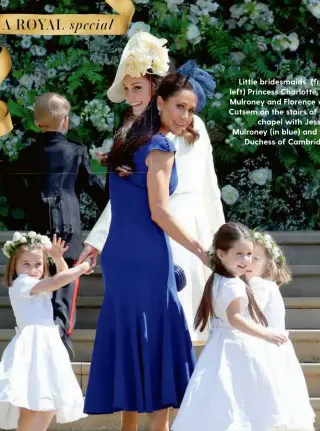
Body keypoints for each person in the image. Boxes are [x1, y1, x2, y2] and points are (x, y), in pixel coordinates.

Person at [83, 71, 211, 431]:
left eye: (191, 110)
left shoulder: (125, 139)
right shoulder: (158, 145)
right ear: (160, 103)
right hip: (147, 253)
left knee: (136, 336)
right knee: (160, 336)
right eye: (180, 107)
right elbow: (159, 211)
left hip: (121, 254)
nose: (186, 116)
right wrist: (202, 250)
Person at [80, 32, 224, 345]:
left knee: (176, 324)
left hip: (178, 230)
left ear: (156, 88)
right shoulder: (135, 132)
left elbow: (208, 188)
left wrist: (218, 238)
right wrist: (98, 240)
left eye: (137, 88)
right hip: (150, 229)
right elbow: (128, 195)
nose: (131, 97)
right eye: (128, 89)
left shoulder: (185, 127)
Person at [171, 222, 291, 431]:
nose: (246, 260)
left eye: (249, 254)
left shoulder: (217, 278)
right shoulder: (234, 283)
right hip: (237, 351)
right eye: (239, 254)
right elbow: (235, 319)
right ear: (221, 254)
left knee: (216, 413)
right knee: (243, 409)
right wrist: (266, 334)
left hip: (218, 351)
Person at [7, 93, 108, 359]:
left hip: (38, 226)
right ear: (65, 121)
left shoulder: (26, 154)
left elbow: (14, 191)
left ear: (35, 121)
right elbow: (96, 191)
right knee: (66, 283)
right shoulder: (76, 151)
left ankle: (41, 337)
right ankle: (61, 333)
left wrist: (31, 204)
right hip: (69, 226)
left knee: (38, 278)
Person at [0, 232, 92, 431]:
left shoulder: (34, 283)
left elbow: (61, 278)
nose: (33, 268)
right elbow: (57, 281)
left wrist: (57, 257)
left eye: (38, 264)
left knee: (31, 405)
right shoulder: (22, 284)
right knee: (49, 399)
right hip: (36, 343)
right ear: (14, 266)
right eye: (26, 264)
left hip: (43, 341)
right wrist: (82, 267)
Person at [247, 231, 315, 431]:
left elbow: (250, 317)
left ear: (267, 264)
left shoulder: (258, 286)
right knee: (271, 412)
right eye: (246, 256)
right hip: (276, 355)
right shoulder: (268, 285)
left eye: (255, 259)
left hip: (263, 354)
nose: (248, 262)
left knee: (259, 409)